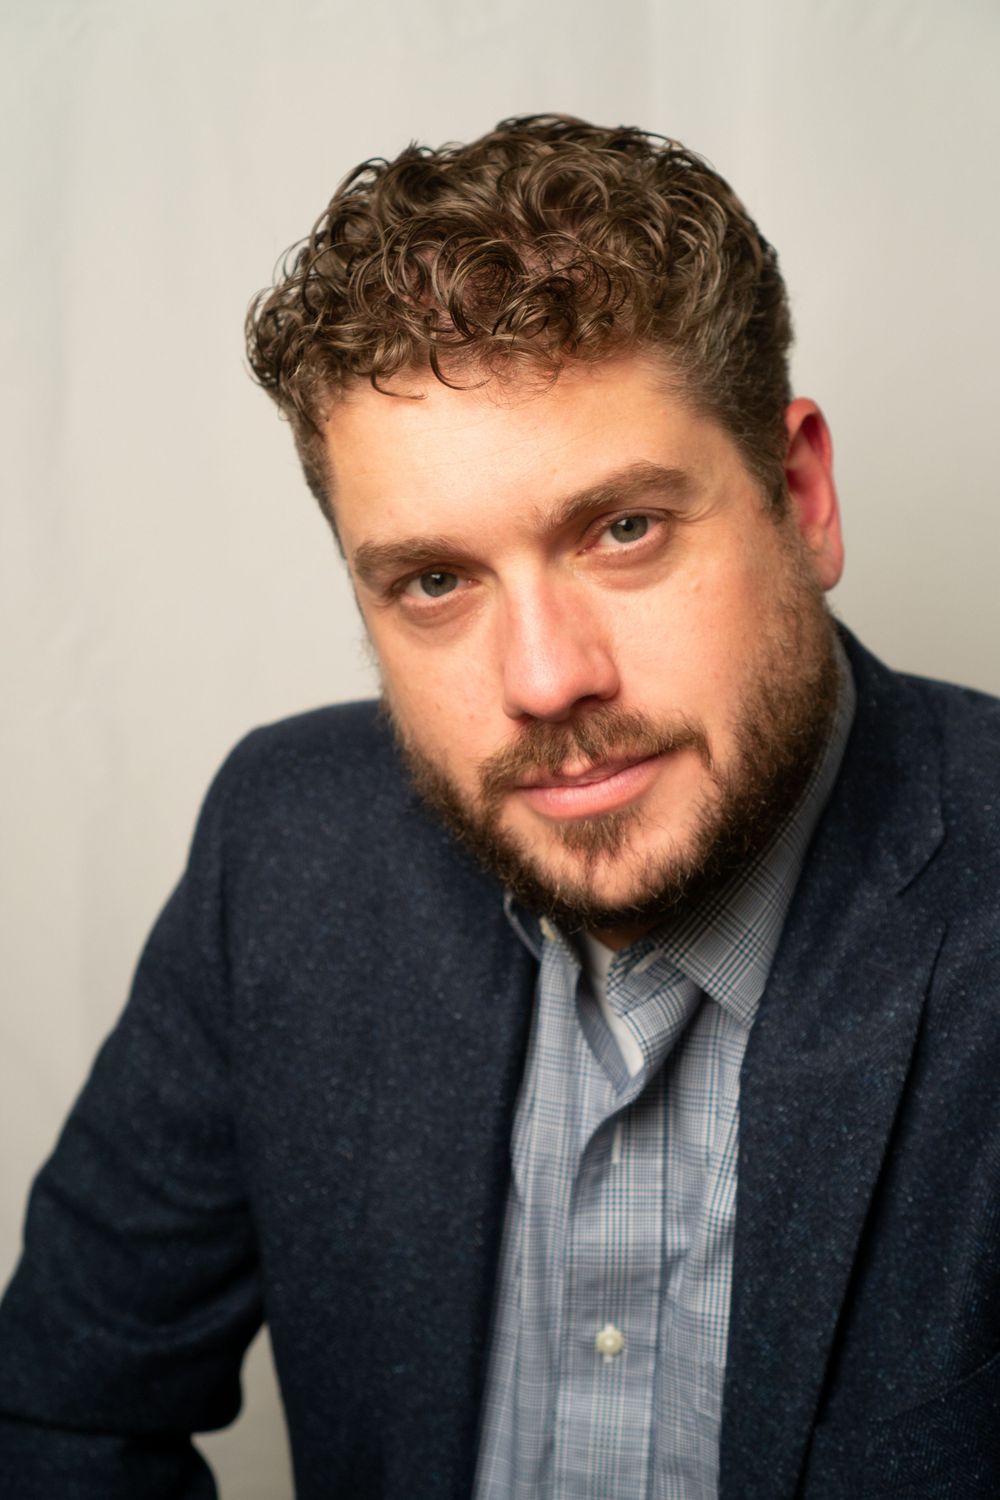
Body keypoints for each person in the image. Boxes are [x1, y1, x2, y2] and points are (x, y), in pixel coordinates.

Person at [1, 114, 998, 1500]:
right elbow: (57, 1421)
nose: (543, 681)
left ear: (802, 494)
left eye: (624, 529)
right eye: (434, 582)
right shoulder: (287, 848)